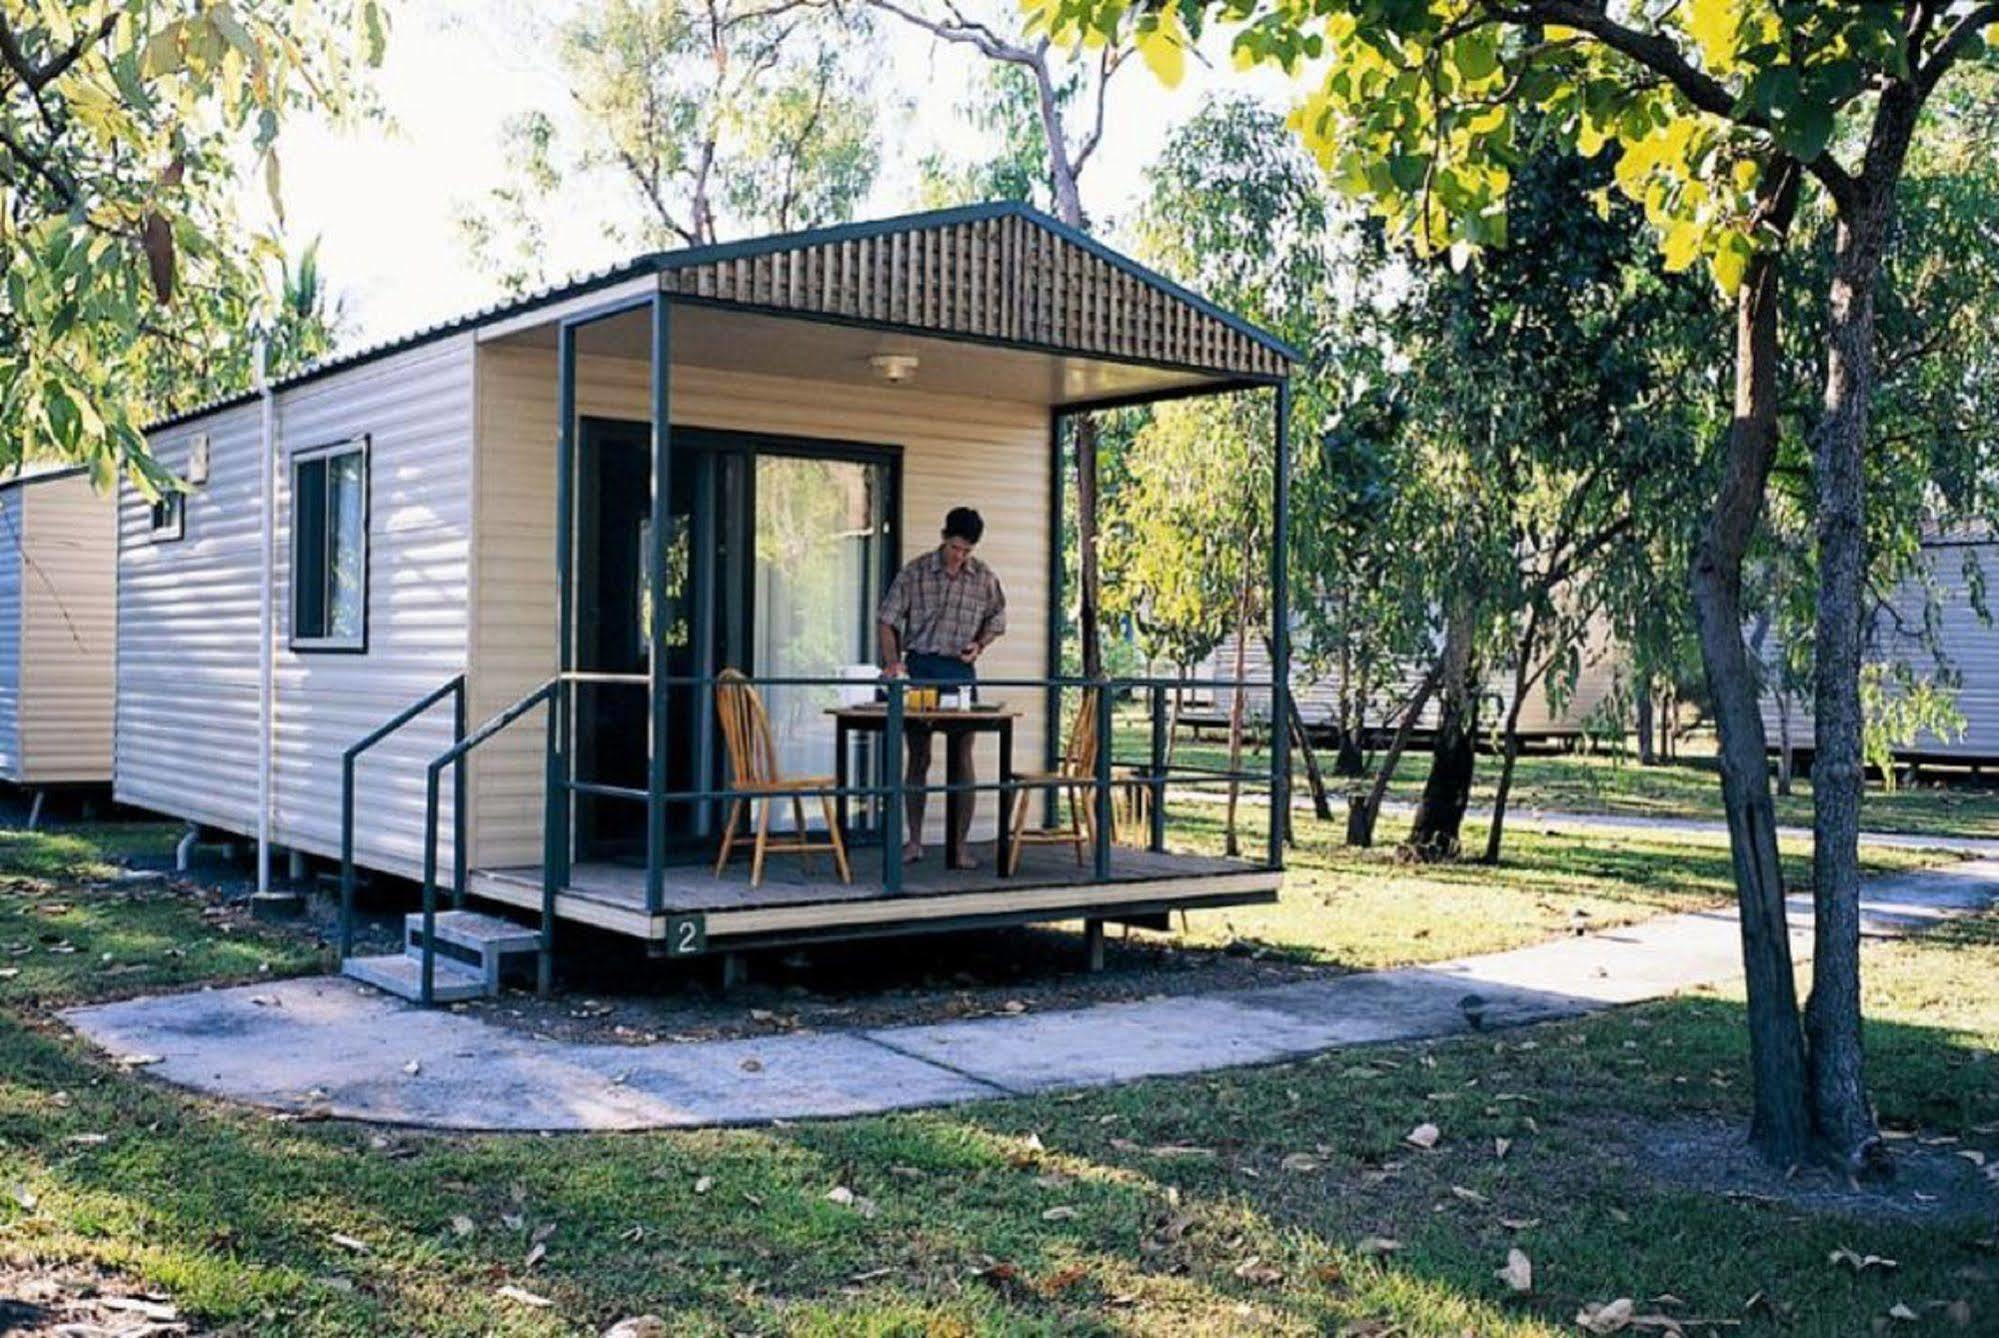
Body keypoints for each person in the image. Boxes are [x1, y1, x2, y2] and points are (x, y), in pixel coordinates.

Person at [878, 506, 1007, 867]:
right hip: (921, 665)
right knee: (918, 755)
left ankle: (959, 847)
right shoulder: (916, 572)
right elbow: (886, 619)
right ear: (943, 537)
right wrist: (892, 662)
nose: (960, 556)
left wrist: (980, 644)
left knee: (963, 756)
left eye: (967, 550)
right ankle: (914, 841)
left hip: (960, 671)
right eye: (955, 548)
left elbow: (998, 618)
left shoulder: (983, 577)